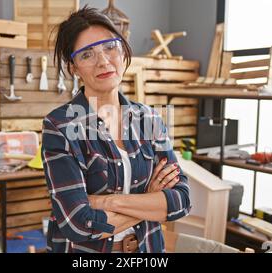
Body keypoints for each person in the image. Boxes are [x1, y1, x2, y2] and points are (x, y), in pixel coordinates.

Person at [41, 6, 191, 253]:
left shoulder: (150, 119)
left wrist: (106, 202)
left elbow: (181, 201)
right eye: (87, 54)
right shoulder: (60, 126)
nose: (103, 61)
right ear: (73, 68)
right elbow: (77, 223)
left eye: (110, 47)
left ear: (122, 51)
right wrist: (149, 200)